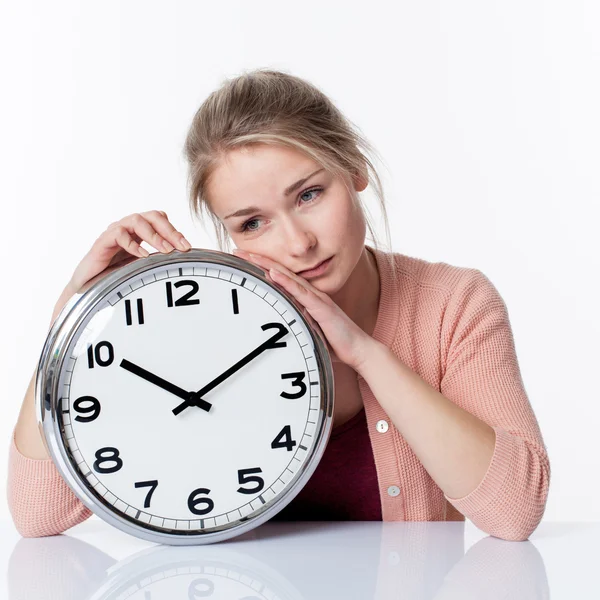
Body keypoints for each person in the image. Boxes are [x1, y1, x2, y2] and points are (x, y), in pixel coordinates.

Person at [6, 68, 550, 541]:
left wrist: (364, 354)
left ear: (354, 169)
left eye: (309, 195)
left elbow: (515, 513)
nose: (297, 243)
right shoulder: (190, 318)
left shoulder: (454, 304)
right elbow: (38, 516)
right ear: (227, 234)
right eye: (252, 223)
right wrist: (73, 319)